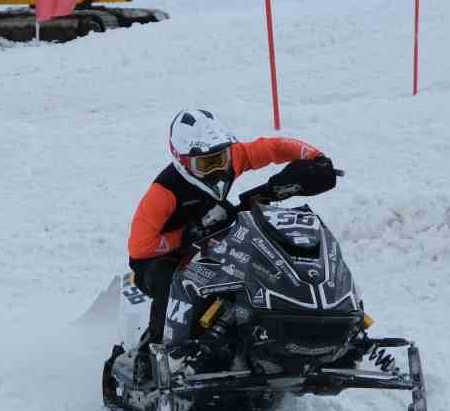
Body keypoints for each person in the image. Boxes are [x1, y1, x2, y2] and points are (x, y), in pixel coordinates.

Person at [128, 109, 330, 352]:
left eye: (220, 159)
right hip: (158, 259)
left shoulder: (232, 158)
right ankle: (155, 354)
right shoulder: (163, 192)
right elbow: (139, 248)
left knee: (253, 262)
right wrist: (188, 233)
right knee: (172, 286)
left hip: (208, 238)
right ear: (182, 160)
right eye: (206, 163)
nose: (216, 169)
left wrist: (316, 157)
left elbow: (274, 148)